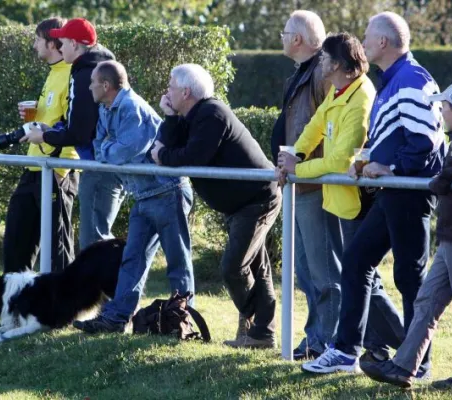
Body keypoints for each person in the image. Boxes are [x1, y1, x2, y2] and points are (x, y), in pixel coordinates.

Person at [303, 11, 445, 374]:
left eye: (368, 37)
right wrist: (368, 161)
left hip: (409, 193)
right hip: (392, 192)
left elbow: (425, 142)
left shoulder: (411, 78)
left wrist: (391, 167)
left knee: (409, 279)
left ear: (383, 42)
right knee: (356, 260)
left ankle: (418, 363)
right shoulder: (394, 79)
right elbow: (395, 137)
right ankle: (346, 350)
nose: (362, 44)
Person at [278, 32, 404, 371]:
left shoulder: (362, 98)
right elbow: (316, 125)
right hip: (340, 201)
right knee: (360, 275)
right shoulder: (338, 89)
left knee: (363, 276)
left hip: (358, 202)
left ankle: (406, 344)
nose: (318, 61)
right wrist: (296, 153)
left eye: (323, 58)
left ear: (337, 64)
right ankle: (384, 346)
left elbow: (338, 160)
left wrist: (298, 167)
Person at [361, 82, 452, 391]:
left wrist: (449, 177)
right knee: (426, 302)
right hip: (451, 238)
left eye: (443, 107)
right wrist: (449, 177)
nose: (440, 111)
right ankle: (403, 367)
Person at [151, 64, 281, 348]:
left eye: (171, 86)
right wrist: (170, 118)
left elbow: (191, 157)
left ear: (185, 91)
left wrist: (164, 154)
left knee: (234, 267)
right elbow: (162, 148)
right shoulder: (189, 116)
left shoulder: (212, 113)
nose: (167, 91)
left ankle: (256, 325)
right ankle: (261, 333)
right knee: (256, 270)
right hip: (241, 202)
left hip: (257, 198)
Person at [72, 60, 194, 333]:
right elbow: (100, 147)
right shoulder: (106, 108)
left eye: (92, 82)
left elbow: (121, 152)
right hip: (144, 195)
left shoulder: (131, 108)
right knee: (131, 259)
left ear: (105, 85)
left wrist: (109, 150)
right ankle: (116, 318)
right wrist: (109, 150)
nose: (89, 86)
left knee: (178, 262)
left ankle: (182, 321)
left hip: (167, 192)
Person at [21, 18, 125, 251]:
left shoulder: (83, 73)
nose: (59, 46)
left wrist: (47, 138)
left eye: (63, 42)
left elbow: (79, 132)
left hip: (100, 166)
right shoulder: (89, 67)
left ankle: (100, 287)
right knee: (95, 242)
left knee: (93, 244)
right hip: (101, 163)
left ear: (75, 45)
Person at [271, 10, 334, 360]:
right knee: (306, 271)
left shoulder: (323, 73)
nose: (281, 38)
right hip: (298, 183)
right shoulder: (300, 75)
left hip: (316, 185)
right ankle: (316, 338)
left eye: (284, 32)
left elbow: (331, 128)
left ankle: (327, 340)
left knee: (322, 270)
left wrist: (308, 166)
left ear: (297, 38)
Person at [3, 17, 79, 273]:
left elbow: (75, 127)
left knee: (57, 247)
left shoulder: (72, 74)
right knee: (16, 238)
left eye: (37, 39)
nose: (34, 45)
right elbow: (53, 120)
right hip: (34, 166)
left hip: (57, 170)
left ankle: (64, 309)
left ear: (52, 43)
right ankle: (15, 304)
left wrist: (62, 169)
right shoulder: (54, 72)